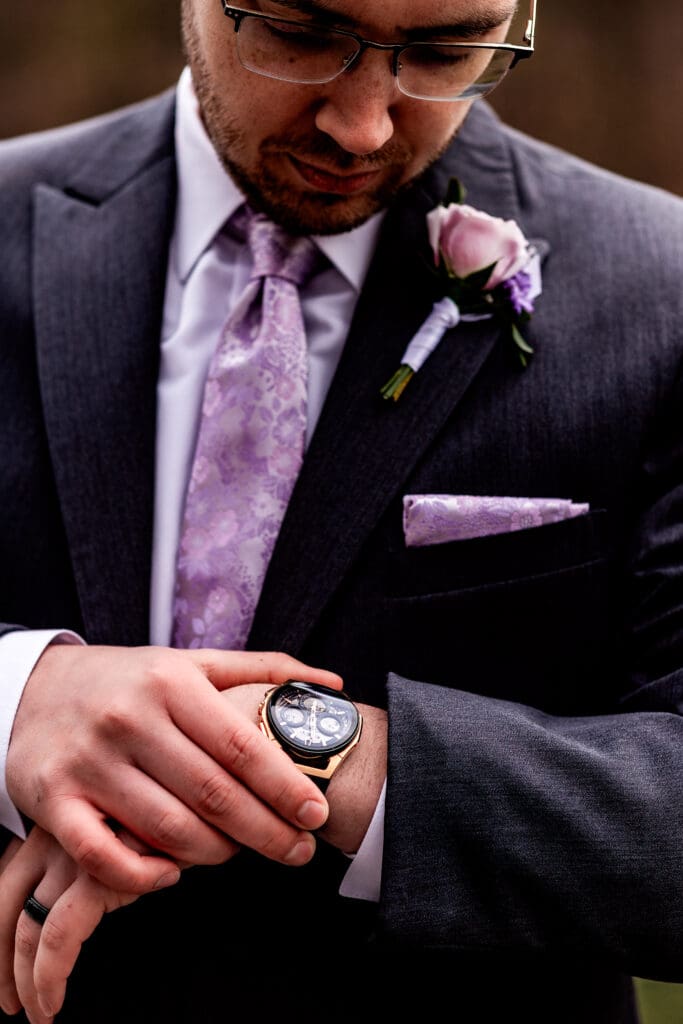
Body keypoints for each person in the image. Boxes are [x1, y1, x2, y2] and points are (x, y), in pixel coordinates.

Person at [1, 0, 683, 1021]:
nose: (362, 124)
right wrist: (17, 697)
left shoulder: (661, 293)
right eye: (301, 32)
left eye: (446, 50)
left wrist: (298, 737)